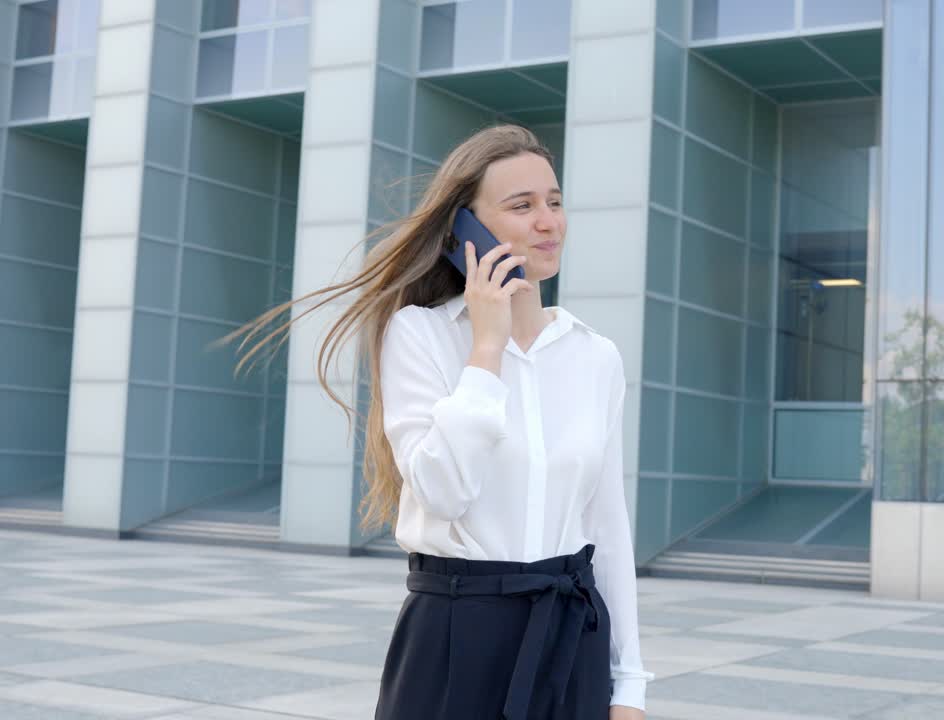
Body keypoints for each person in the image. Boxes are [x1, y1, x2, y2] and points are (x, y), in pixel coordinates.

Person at [220, 124, 652, 718]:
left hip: (569, 637)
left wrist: (628, 685)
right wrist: (486, 350)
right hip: (454, 635)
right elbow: (442, 491)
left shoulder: (594, 356)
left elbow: (607, 520)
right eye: (521, 206)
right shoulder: (419, 335)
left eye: (554, 201)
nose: (549, 221)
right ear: (464, 231)